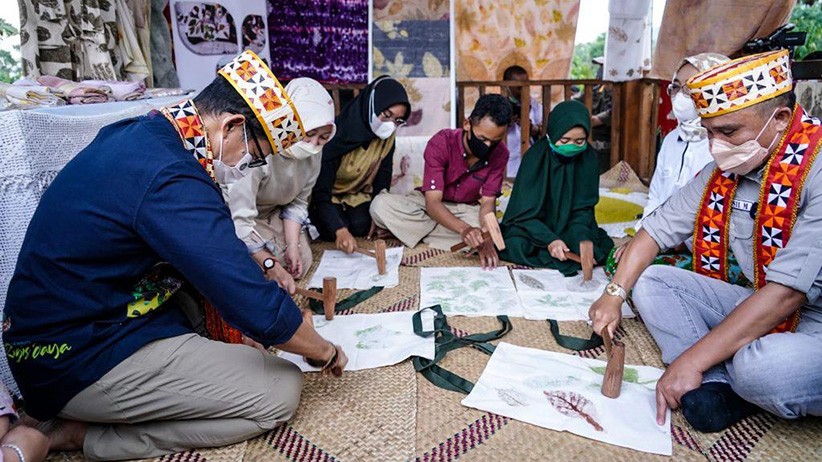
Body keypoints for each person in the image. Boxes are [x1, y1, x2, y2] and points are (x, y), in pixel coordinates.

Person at [3, 50, 347, 460]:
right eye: (254, 153)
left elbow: (212, 255)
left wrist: (260, 283)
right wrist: (323, 349)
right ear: (233, 125)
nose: (246, 163)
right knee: (278, 389)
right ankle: (79, 435)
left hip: (90, 315)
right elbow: (247, 297)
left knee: (237, 331)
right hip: (75, 353)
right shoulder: (172, 175)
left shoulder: (149, 135)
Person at [589, 49, 822, 433]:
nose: (715, 145)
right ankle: (718, 386)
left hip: (806, 314)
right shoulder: (729, 168)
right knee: (652, 280)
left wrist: (692, 359)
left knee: (760, 368)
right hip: (766, 300)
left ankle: (724, 373)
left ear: (780, 119)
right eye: (710, 132)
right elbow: (655, 230)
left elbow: (787, 294)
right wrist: (614, 294)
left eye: (728, 132)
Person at [370, 94, 512, 269]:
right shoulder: (442, 142)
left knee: (489, 234)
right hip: (429, 204)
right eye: (482, 139)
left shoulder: (501, 154)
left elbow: (488, 203)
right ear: (467, 124)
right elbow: (433, 203)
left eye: (495, 141)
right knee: (379, 205)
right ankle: (451, 235)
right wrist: (464, 230)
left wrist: (486, 234)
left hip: (465, 209)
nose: (488, 146)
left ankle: (414, 233)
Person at [223, 77, 335, 286]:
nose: (313, 144)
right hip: (238, 215)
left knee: (300, 259)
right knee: (263, 268)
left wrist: (293, 245)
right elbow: (240, 218)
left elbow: (298, 202)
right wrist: (269, 264)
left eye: (323, 137)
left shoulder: (315, 152)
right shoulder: (260, 147)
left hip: (273, 213)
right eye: (309, 134)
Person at [499, 100, 614, 275]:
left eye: (579, 141)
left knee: (590, 247)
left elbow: (582, 210)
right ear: (552, 134)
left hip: (570, 223)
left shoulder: (588, 158)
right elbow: (522, 215)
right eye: (565, 140)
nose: (571, 146)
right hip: (532, 226)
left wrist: (582, 238)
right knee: (516, 245)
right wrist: (550, 240)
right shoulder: (535, 158)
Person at [309, 75, 410, 254]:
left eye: (397, 120)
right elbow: (320, 192)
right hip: (327, 199)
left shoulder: (386, 139)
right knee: (330, 227)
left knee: (360, 224)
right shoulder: (336, 135)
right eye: (387, 115)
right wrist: (339, 230)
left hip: (357, 197)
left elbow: (382, 181)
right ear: (372, 105)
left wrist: (379, 217)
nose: (390, 125)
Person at [641, 53, 730, 221]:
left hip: (705, 241)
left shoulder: (727, 145)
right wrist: (646, 231)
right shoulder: (671, 140)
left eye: (690, 89)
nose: (680, 96)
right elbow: (655, 195)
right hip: (660, 235)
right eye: (675, 87)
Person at [501, 65, 543, 177]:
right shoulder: (497, 105)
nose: (523, 90)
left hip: (529, 160)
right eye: (518, 87)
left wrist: (533, 128)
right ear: (507, 85)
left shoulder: (534, 105)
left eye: (526, 86)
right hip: (506, 164)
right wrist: (504, 124)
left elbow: (545, 128)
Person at [590, 57, 612, 173]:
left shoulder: (618, 95)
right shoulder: (595, 90)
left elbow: (595, 120)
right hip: (589, 147)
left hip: (606, 151)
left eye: (603, 67)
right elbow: (576, 99)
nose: (600, 71)